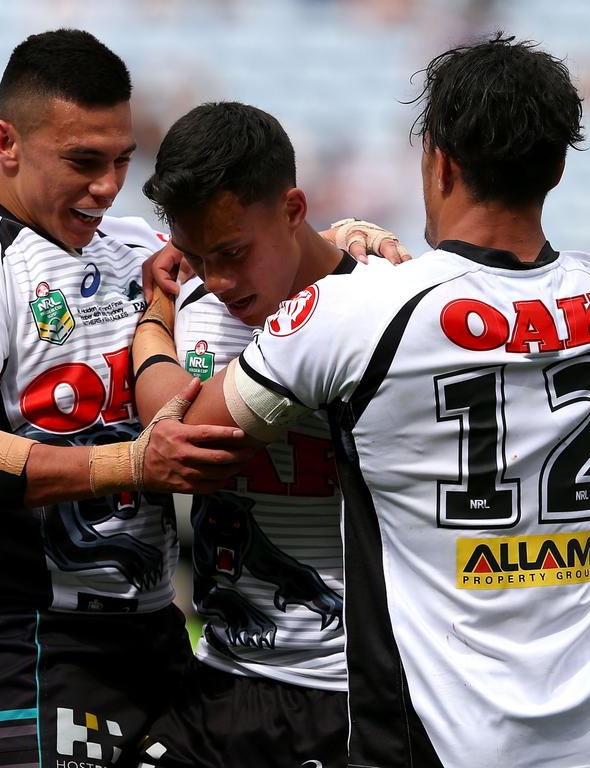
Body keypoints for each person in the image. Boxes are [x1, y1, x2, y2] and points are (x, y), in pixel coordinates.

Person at [139, 34, 590, 767]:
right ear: (559, 165)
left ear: (438, 162)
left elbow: (183, 433)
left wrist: (154, 319)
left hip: (446, 735)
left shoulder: (364, 310)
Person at [0, 29, 263, 768]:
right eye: (84, 162)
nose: (107, 186)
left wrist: (350, 244)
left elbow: (268, 271)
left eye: (122, 160)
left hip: (158, 630)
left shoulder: (135, 247)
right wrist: (129, 464)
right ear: (8, 142)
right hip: (33, 638)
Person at [128, 102, 407, 768]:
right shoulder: (189, 311)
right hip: (222, 672)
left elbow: (176, 438)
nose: (218, 281)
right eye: (196, 256)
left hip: (357, 693)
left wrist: (149, 325)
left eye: (233, 253)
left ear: (292, 208)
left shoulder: (391, 305)